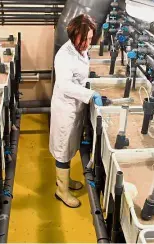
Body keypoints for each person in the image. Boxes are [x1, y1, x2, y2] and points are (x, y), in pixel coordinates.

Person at [49, 14, 103, 208]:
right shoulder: (64, 55)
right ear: (74, 36)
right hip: (65, 109)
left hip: (75, 107)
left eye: (90, 38)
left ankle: (66, 180)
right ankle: (61, 191)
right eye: (85, 38)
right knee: (63, 150)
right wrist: (90, 94)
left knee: (71, 147)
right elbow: (64, 85)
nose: (88, 42)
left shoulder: (81, 50)